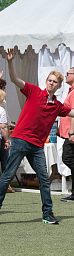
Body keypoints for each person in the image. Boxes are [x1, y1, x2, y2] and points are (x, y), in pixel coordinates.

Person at [0, 48, 74, 225]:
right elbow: (14, 79)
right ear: (46, 81)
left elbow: (72, 112)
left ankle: (47, 214)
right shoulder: (33, 91)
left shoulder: (57, 105)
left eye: (54, 82)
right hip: (19, 140)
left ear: (59, 86)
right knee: (7, 176)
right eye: (49, 80)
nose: (51, 83)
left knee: (44, 178)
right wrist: (10, 61)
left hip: (37, 146)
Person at [60, 67, 74, 202]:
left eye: (68, 74)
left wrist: (72, 133)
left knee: (67, 158)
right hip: (67, 133)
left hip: (71, 134)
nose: (66, 76)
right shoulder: (71, 91)